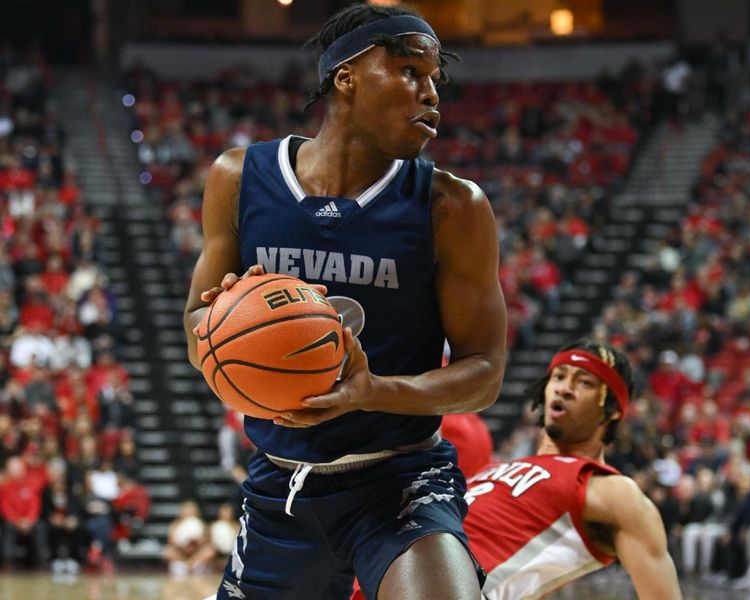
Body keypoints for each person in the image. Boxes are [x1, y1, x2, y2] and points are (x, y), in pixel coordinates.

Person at [183, 4, 506, 600]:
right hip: (281, 481)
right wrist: (221, 323)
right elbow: (195, 327)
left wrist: (373, 391)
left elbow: (484, 376)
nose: (431, 94)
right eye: (410, 71)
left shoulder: (453, 206)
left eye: (435, 80)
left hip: (400, 479)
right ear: (347, 76)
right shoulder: (238, 176)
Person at [463, 340, 682, 599]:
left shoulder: (611, 490)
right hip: (413, 564)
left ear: (612, 409)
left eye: (585, 382)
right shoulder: (496, 466)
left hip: (447, 584)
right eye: (559, 377)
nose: (565, 389)